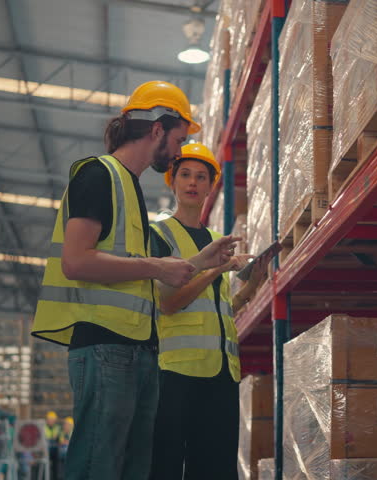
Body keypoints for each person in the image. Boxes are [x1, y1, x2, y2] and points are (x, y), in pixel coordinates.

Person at [31, 81, 241, 480]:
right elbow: (75, 261)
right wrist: (158, 267)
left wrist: (199, 262)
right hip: (104, 346)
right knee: (99, 465)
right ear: (157, 129)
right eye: (179, 140)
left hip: (136, 351)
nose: (180, 152)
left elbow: (136, 271)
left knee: (130, 468)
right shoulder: (98, 174)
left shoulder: (130, 188)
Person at [149, 143, 269, 480]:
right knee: (166, 467)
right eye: (185, 174)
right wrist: (215, 269)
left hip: (221, 374)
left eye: (201, 177)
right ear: (172, 182)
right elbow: (168, 304)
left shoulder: (218, 238)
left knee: (215, 469)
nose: (192, 182)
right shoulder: (159, 236)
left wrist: (249, 289)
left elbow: (217, 310)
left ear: (210, 186)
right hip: (175, 374)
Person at [44, 411, 61, 480]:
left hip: (54, 450)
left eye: (52, 419)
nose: (50, 421)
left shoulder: (57, 428)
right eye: (49, 419)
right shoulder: (44, 427)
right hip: (46, 449)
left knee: (56, 465)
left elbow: (58, 439)